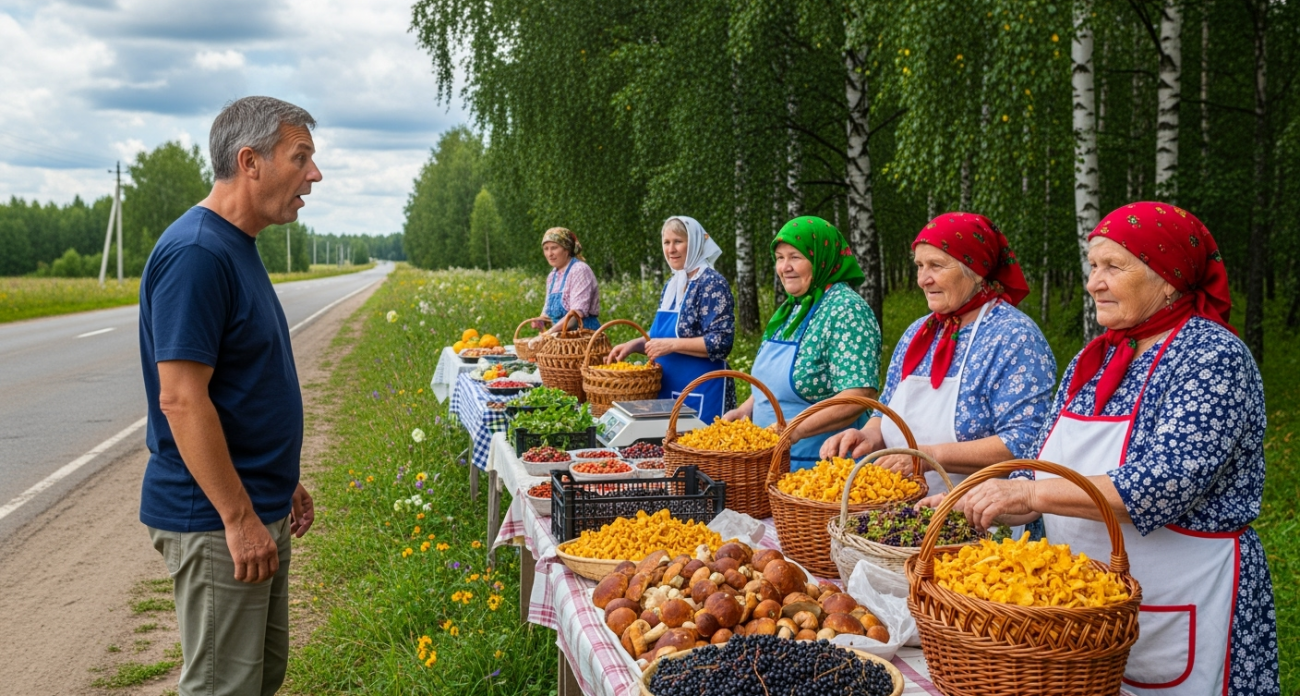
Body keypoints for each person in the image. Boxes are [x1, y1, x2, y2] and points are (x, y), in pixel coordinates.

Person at [927, 202, 1279, 695]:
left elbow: (1163, 484)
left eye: (1114, 266)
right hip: (1084, 615)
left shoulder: (1211, 356)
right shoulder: (1095, 358)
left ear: (1169, 276)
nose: (1094, 282)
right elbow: (1044, 466)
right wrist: (985, 496)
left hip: (1187, 596)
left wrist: (1029, 498)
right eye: (1093, 266)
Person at [138, 96, 319, 696]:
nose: (314, 176)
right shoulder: (197, 253)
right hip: (216, 520)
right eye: (301, 158)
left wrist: (278, 476)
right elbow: (182, 401)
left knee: (258, 677)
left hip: (251, 502)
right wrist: (240, 516)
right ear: (251, 161)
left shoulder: (235, 244)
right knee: (223, 687)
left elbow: (239, 383)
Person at [821, 213, 1056, 493]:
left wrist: (929, 456)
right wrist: (868, 435)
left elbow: (1026, 440)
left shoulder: (1014, 337)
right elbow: (886, 408)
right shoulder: (918, 332)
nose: (923, 279)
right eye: (919, 265)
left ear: (976, 269)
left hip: (980, 519)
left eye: (936, 265)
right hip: (897, 508)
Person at [723, 216, 881, 470]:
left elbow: (858, 396)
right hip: (775, 462)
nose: (785, 267)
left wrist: (794, 430)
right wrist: (745, 411)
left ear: (821, 257)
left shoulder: (846, 310)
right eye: (780, 257)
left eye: (795, 257)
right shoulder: (792, 310)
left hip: (821, 470)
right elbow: (773, 384)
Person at [607, 216, 736, 421]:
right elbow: (661, 337)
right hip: (668, 388)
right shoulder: (673, 284)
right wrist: (635, 344)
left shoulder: (711, 283)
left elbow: (721, 342)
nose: (671, 249)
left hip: (702, 389)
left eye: (678, 241)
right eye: (666, 242)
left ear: (694, 243)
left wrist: (672, 345)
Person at [534, 227, 601, 332]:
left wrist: (549, 334)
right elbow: (547, 315)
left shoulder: (579, 270)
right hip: (560, 337)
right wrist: (540, 322)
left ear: (567, 249)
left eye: (554, 248)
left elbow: (575, 316)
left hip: (584, 336)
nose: (549, 254)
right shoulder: (552, 276)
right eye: (546, 249)